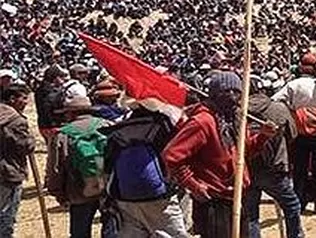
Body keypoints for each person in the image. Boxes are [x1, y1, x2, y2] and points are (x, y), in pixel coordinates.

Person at [163, 71, 275, 238]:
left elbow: (243, 153)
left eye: (236, 92)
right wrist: (194, 185)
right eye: (226, 92)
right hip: (214, 203)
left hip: (237, 198)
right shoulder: (203, 121)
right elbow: (171, 156)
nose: (232, 97)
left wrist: (263, 136)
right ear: (214, 95)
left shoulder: (237, 121)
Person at [102, 102, 189, 238]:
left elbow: (108, 166)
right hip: (159, 198)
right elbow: (174, 156)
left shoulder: (120, 129)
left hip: (126, 197)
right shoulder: (162, 125)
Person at [273, 52, 316, 214]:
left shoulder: (294, 85)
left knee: (299, 169)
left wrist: (291, 112)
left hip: (299, 132)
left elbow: (276, 100)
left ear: (301, 67)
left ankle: (299, 203)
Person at [45, 96, 117, 238]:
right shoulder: (108, 126)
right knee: (111, 228)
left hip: (78, 191)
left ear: (70, 113)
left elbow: (55, 168)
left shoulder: (62, 135)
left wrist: (57, 192)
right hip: (108, 187)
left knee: (80, 232)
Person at [245, 78, 303, 238]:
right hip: (275, 167)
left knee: (251, 214)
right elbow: (293, 134)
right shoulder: (279, 108)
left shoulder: (238, 111)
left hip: (247, 168)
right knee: (291, 206)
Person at [0, 83, 35, 238]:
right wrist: (31, 139)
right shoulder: (16, 121)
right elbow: (25, 146)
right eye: (24, 98)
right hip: (9, 171)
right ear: (12, 99)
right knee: (7, 213)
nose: (26, 101)